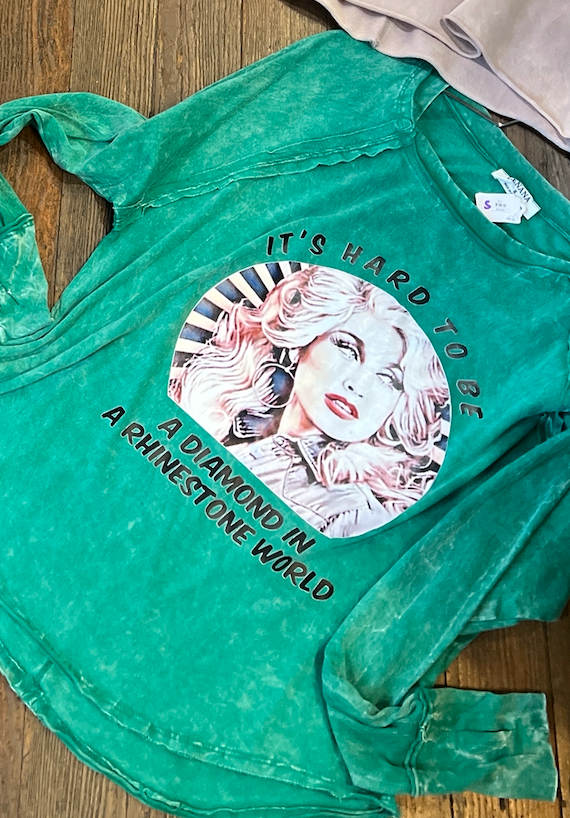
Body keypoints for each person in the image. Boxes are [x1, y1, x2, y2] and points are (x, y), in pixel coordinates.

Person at [170, 264, 450, 537]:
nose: (357, 384)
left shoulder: (354, 517)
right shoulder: (237, 440)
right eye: (347, 349)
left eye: (388, 378)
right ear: (300, 342)